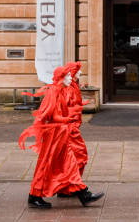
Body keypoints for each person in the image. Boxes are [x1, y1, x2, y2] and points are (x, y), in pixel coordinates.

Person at [19, 65, 104, 209]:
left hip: (61, 133)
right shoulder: (53, 92)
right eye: (68, 76)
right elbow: (52, 115)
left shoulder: (60, 90)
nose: (71, 77)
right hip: (55, 134)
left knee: (67, 163)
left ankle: (83, 194)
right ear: (61, 78)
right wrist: (68, 119)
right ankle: (35, 196)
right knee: (48, 164)